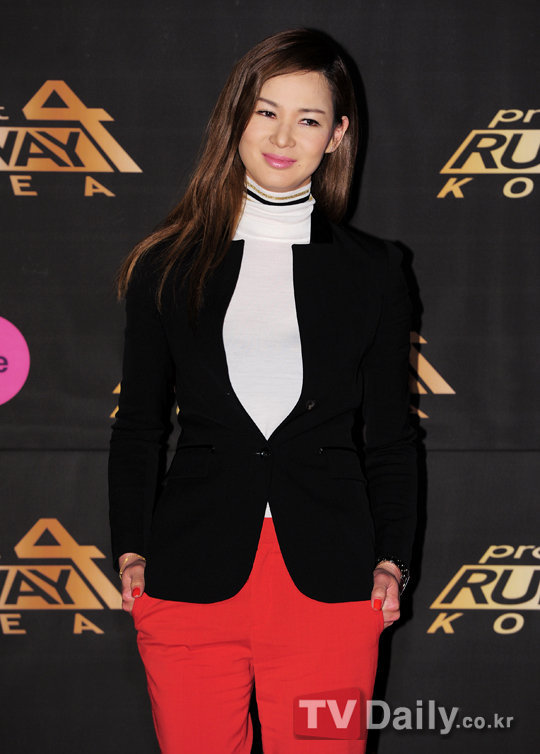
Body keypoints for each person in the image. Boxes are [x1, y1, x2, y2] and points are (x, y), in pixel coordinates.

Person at [108, 27, 417, 754]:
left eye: (308, 119)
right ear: (236, 120)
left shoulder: (376, 271)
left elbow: (393, 438)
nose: (283, 136)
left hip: (330, 580)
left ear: (337, 136)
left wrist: (392, 561)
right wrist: (129, 550)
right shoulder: (166, 265)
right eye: (266, 112)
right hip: (190, 575)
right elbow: (140, 426)